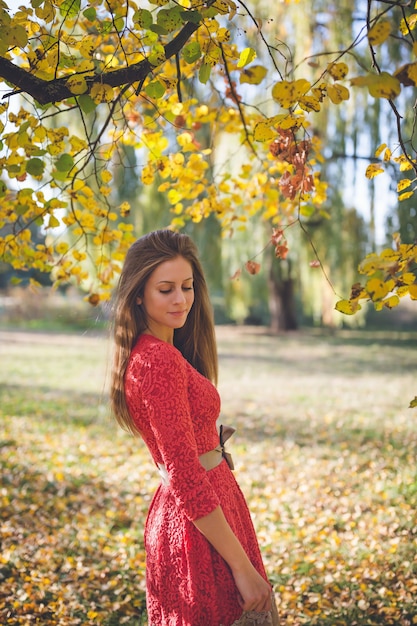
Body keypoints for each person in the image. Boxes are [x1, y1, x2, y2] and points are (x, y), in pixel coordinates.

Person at [110, 230, 278, 626]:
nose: (181, 299)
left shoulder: (162, 353)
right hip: (198, 528)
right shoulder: (157, 362)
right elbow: (186, 476)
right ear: (138, 295)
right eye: (165, 289)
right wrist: (241, 567)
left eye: (187, 287)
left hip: (211, 510)